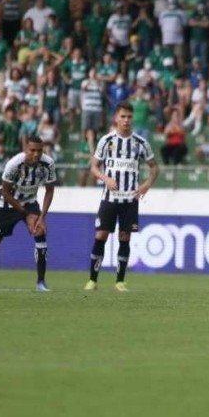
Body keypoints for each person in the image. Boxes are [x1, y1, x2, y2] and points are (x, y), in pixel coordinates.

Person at [85, 102, 159, 292]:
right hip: (109, 198)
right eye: (123, 116)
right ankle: (92, 280)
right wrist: (105, 178)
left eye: (129, 117)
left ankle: (120, 281)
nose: (126, 120)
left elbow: (154, 167)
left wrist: (146, 185)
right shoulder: (106, 141)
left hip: (130, 200)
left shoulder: (140, 143)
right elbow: (93, 166)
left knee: (124, 237)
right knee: (101, 235)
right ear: (116, 118)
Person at [0, 136, 56, 291]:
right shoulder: (14, 164)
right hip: (8, 203)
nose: (36, 154)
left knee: (40, 232)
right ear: (25, 149)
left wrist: (42, 217)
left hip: (30, 202)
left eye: (39, 150)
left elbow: (49, 191)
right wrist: (25, 214)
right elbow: (5, 191)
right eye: (32, 150)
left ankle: (41, 282)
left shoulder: (48, 164)